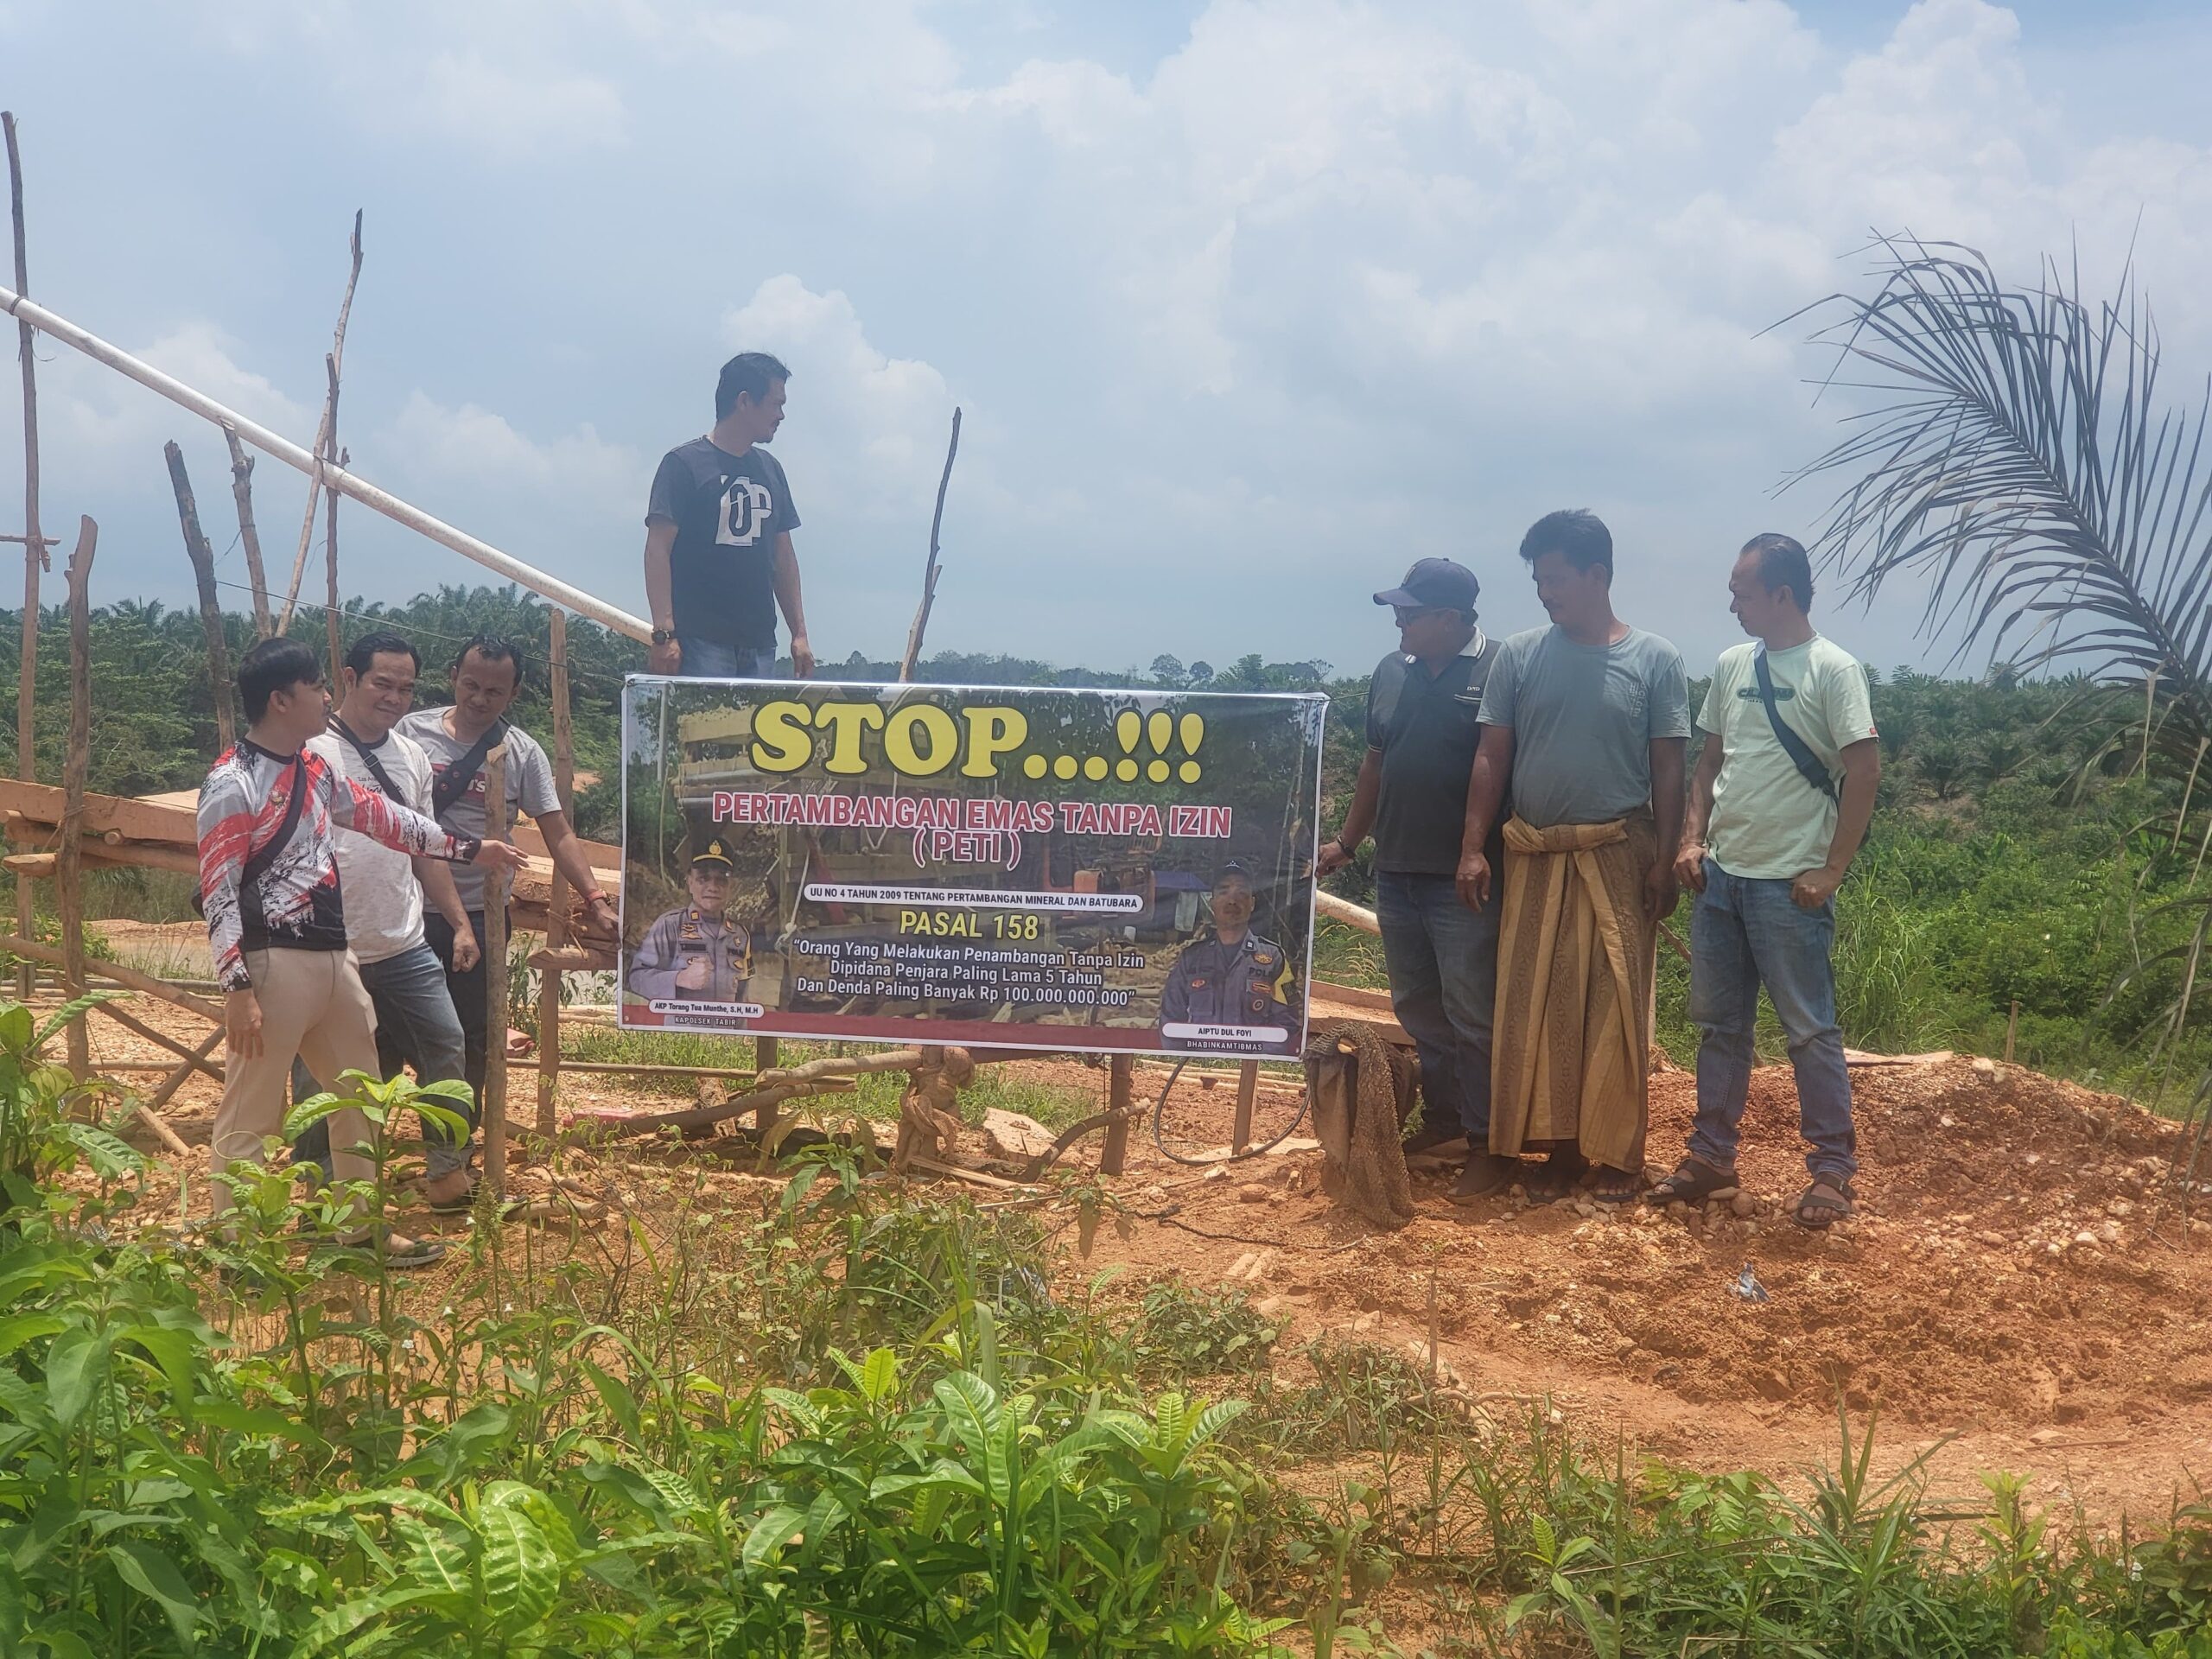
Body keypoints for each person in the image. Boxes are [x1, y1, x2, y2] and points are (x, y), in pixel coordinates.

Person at [196, 638, 523, 1263]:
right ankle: (239, 1250)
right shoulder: (231, 783)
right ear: (280, 699)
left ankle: (356, 1227)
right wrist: (236, 987)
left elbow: (385, 818)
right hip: (273, 962)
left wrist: (468, 850)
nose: (326, 696)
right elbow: (218, 890)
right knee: (253, 1110)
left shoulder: (315, 772)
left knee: (360, 1094)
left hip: (333, 959)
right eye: (317, 686)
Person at [1457, 510, 1689, 1203]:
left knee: (1613, 1007)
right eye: (1537, 580)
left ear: (1598, 576)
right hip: (1532, 855)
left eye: (1554, 578)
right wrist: (1473, 847)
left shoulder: (1655, 659)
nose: (1543, 592)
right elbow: (1491, 755)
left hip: (1619, 852)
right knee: (1536, 1006)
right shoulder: (1520, 656)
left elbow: (1670, 768)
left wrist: (1666, 857)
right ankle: (1557, 1153)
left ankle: (1617, 1155)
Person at [1653, 533, 1880, 1230]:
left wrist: (1831, 869)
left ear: (1783, 594)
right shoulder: (1731, 665)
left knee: (1808, 1031)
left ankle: (1833, 1172)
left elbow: (1864, 771)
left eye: (1742, 593)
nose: (1731, 605)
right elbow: (1707, 762)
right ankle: (1711, 1157)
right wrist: (1692, 839)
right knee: (1721, 1028)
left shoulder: (1833, 670)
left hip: (1789, 889)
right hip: (1721, 879)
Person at [1318, 557, 1511, 1201]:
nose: (1397, 621)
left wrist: (1473, 849)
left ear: (1450, 619)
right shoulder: (1390, 673)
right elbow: (1376, 761)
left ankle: (1490, 1146)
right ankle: (1447, 1123)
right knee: (1420, 1011)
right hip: (1397, 871)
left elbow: (1499, 761)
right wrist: (1348, 842)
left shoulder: (1498, 669)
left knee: (1472, 1013)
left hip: (1462, 879)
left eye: (1411, 612)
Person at [286, 632, 479, 1212]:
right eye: (382, 683)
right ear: (348, 678)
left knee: (446, 1044)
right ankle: (324, 1194)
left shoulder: (412, 757)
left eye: (406, 687)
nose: (395, 697)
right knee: (319, 1076)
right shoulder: (307, 749)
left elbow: (423, 848)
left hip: (401, 940)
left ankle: (446, 1172)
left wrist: (459, 921)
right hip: (324, 945)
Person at [398, 636, 619, 1139]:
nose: (479, 698)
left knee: (472, 1033)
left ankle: (454, 1143)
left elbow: (557, 831)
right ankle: (368, 1147)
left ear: (513, 694)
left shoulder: (521, 753)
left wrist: (595, 899)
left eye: (493, 692)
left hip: (480, 914)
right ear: (453, 675)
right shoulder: (411, 734)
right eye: (471, 685)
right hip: (406, 908)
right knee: (386, 1028)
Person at [643, 351, 815, 681]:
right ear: (745, 401)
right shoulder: (683, 464)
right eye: (776, 404)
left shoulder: (771, 470)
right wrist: (664, 634)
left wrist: (799, 633)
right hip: (700, 643)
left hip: (761, 644)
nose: (781, 415)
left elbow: (784, 556)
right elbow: (657, 550)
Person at [1159, 861, 1298, 1053]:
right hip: (1198, 1063)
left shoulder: (1274, 958)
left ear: (1252, 903)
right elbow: (1170, 1021)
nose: (1232, 900)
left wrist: (1255, 1059)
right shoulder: (1190, 959)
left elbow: (1288, 1019)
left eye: (1241, 893)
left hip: (1252, 1063)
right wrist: (1195, 1059)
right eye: (1224, 891)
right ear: (1212, 902)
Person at [627, 840, 759, 1003]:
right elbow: (637, 979)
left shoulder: (740, 935)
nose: (713, 887)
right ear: (690, 882)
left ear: (730, 886)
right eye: (703, 879)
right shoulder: (670, 926)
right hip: (684, 1027)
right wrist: (679, 978)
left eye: (721, 880)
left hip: (725, 1026)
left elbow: (742, 997)